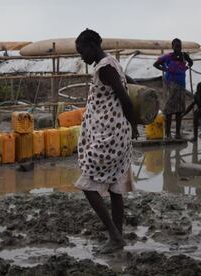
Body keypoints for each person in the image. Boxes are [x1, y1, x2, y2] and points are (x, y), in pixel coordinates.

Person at [74, 29, 138, 254]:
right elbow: (130, 83)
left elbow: (126, 98)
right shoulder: (113, 63)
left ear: (92, 46)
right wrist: (131, 126)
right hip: (116, 133)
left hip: (109, 136)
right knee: (115, 186)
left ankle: (113, 234)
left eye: (82, 52)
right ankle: (117, 237)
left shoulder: (105, 68)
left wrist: (135, 124)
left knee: (87, 183)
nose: (82, 57)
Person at [153, 38, 193, 139]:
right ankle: (168, 134)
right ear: (172, 47)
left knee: (179, 110)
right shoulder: (168, 57)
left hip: (181, 85)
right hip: (170, 85)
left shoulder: (184, 56)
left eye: (179, 46)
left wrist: (187, 66)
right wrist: (165, 69)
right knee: (169, 110)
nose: (178, 48)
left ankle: (178, 133)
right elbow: (156, 64)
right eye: (176, 46)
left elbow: (191, 63)